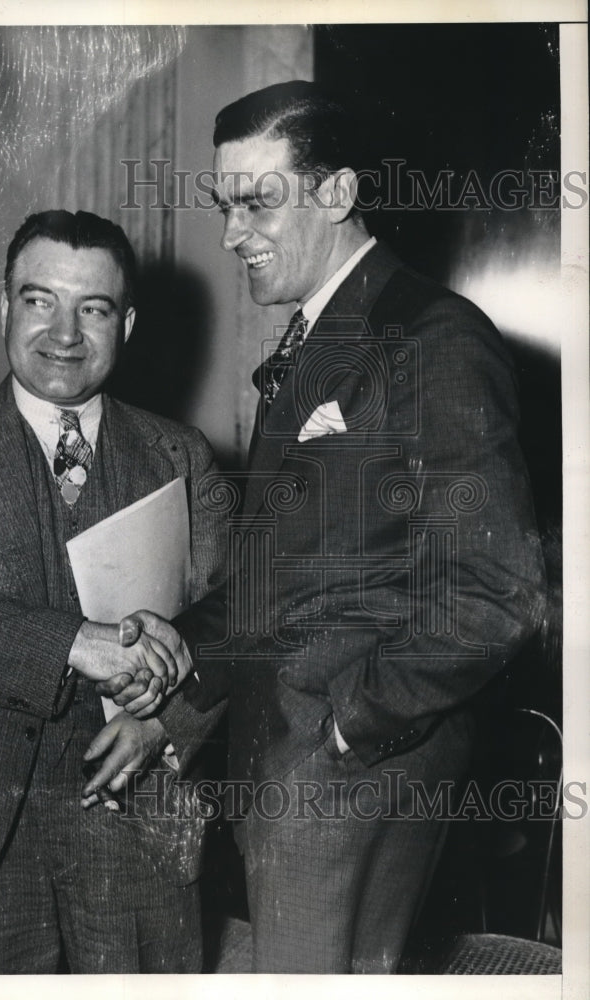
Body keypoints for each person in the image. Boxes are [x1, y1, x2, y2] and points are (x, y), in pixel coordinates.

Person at [113, 81, 547, 973]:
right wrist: (181, 666)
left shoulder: (432, 338)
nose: (233, 235)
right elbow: (287, 575)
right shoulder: (317, 336)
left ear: (340, 194)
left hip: (350, 769)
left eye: (258, 203)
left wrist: (350, 728)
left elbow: (495, 595)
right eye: (225, 206)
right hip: (294, 757)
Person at [0, 210, 225, 973]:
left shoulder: (181, 455)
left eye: (92, 309)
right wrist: (74, 644)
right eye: (39, 301)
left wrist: (169, 725)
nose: (64, 333)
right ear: (4, 307)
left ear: (125, 323)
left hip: (141, 827)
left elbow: (241, 623)